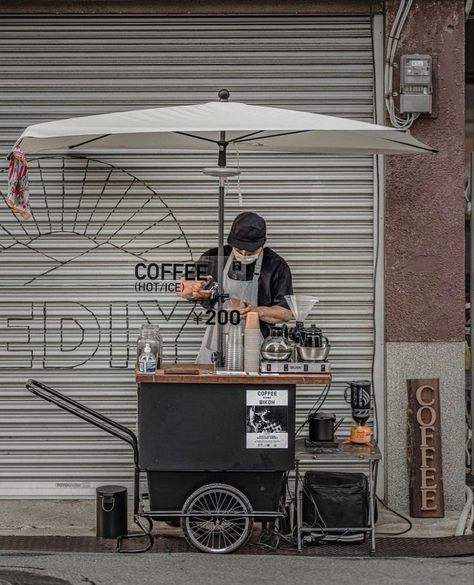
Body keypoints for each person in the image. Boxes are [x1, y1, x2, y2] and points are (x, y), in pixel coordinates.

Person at [177, 211, 294, 363]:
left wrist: (257, 311)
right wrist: (192, 288)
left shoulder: (276, 266)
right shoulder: (215, 257)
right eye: (239, 249)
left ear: (262, 244)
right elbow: (181, 288)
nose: (244, 254)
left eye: (251, 251)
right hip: (216, 347)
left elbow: (286, 314)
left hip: (257, 349)